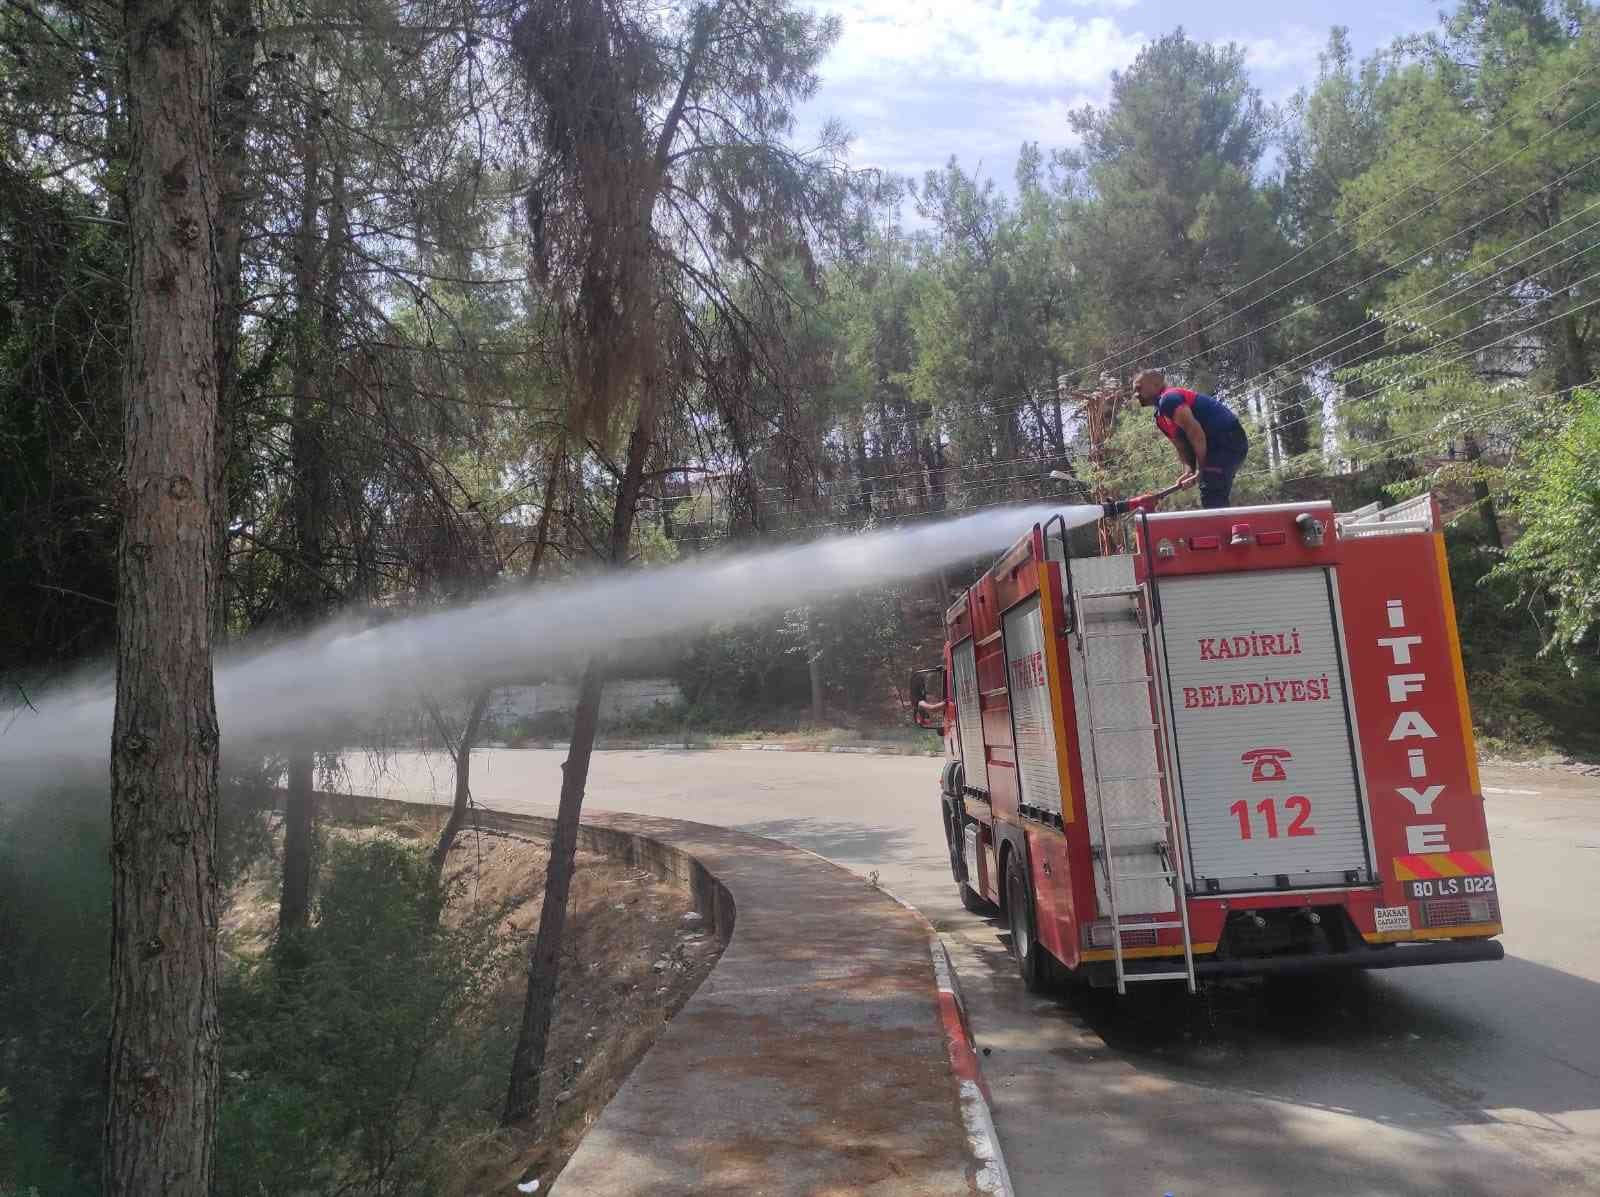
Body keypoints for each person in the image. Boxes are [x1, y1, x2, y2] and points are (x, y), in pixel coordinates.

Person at [1132, 369, 1250, 509]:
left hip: (1227, 439)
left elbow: (1195, 433)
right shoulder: (1160, 418)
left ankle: (1229, 529)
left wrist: (1201, 470)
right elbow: (1182, 447)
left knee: (1211, 490)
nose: (1136, 395)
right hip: (1214, 446)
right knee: (1211, 491)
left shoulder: (1169, 399)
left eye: (1139, 388)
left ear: (1156, 384)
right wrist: (1189, 471)